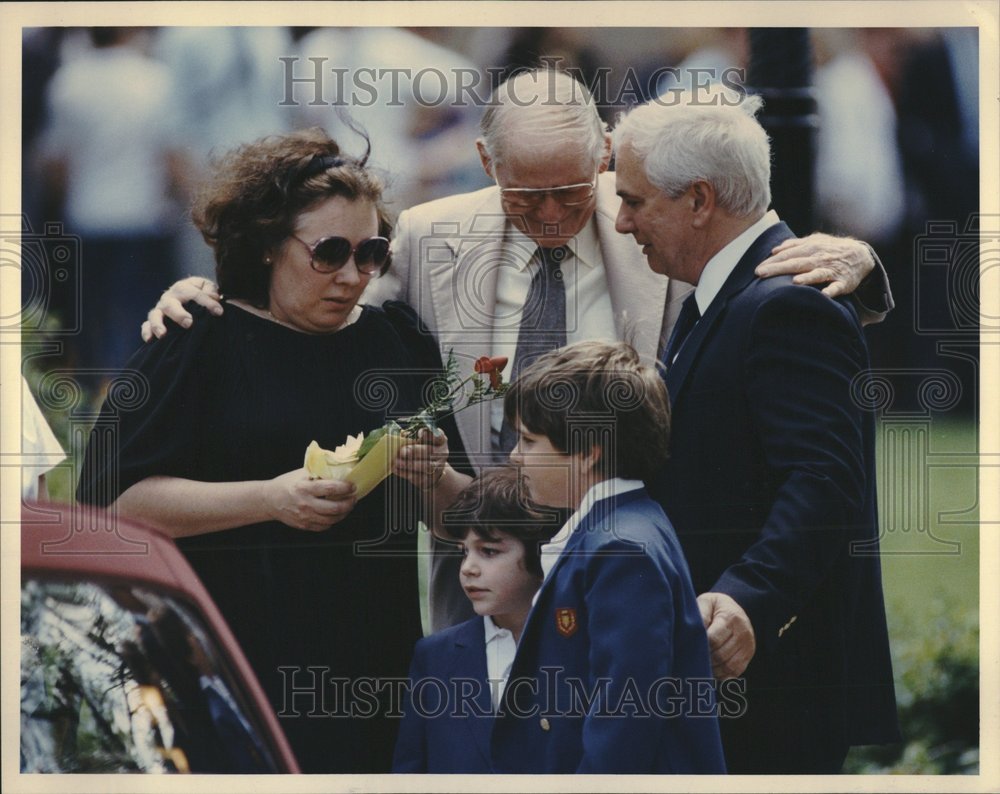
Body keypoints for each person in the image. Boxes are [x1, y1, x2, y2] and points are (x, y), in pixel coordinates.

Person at [140, 69, 892, 633]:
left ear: (603, 154)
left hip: (630, 579)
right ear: (484, 160)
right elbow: (313, 297)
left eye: (572, 190)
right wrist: (200, 293)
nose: (552, 215)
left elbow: (763, 260)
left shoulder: (656, 219)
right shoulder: (427, 237)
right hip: (474, 583)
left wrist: (862, 264)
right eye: (524, 196)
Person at [75, 128, 465, 773]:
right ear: (264, 247)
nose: (351, 276)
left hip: (371, 666)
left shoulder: (397, 343)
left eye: (370, 253)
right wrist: (268, 499)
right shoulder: (195, 340)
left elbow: (457, 522)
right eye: (329, 252)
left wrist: (436, 477)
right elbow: (113, 508)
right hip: (229, 661)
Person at [613, 94, 899, 772]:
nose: (621, 222)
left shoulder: (786, 302)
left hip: (772, 686)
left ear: (701, 200)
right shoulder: (726, 290)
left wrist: (749, 600)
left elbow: (826, 482)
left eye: (634, 201)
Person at [488, 340, 725, 774]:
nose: (515, 457)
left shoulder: (621, 549)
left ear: (587, 451)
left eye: (528, 440)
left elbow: (625, 718)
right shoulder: (615, 528)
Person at [392, 466, 560, 773]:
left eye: (489, 551)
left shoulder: (576, 647)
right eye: (463, 551)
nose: (468, 567)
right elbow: (410, 772)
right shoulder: (434, 657)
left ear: (541, 555)